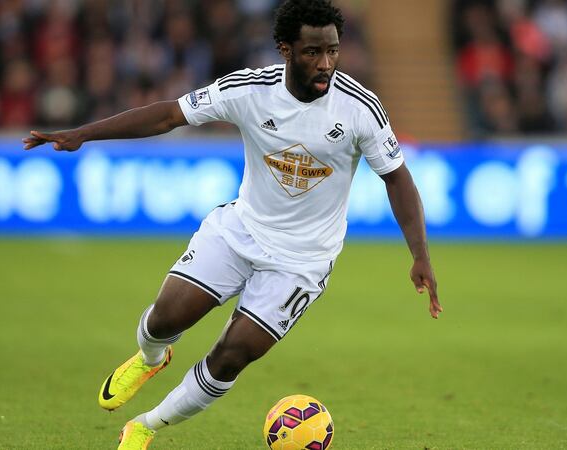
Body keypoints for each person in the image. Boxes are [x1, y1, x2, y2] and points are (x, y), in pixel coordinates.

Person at [23, 1, 442, 448]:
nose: (325, 64)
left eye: (333, 52)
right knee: (165, 318)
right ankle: (150, 358)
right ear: (285, 49)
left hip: (302, 262)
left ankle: (146, 425)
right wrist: (84, 133)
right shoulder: (249, 89)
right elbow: (169, 114)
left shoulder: (360, 108)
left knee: (231, 356)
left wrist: (420, 255)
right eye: (312, 52)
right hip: (240, 231)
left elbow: (397, 178)